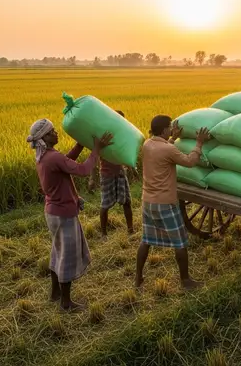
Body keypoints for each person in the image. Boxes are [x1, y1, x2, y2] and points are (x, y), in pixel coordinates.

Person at [26, 119, 113, 311]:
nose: (56, 133)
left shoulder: (45, 156)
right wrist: (96, 150)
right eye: (52, 131)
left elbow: (66, 162)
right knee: (67, 256)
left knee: (58, 252)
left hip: (53, 212)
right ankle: (66, 303)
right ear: (45, 138)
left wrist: (81, 144)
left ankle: (55, 294)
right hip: (63, 214)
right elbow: (82, 170)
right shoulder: (52, 157)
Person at [135, 115, 211, 291]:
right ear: (163, 131)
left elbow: (164, 147)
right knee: (180, 242)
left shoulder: (147, 144)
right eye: (169, 128)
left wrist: (173, 138)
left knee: (146, 240)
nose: (171, 129)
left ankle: (138, 277)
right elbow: (190, 162)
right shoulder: (169, 150)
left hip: (148, 202)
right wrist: (199, 143)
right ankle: (186, 281)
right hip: (165, 203)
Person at [88, 110, 134, 238]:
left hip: (120, 173)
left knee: (127, 202)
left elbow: (125, 153)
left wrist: (130, 168)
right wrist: (92, 178)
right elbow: (94, 156)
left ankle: (130, 230)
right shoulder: (104, 136)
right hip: (106, 174)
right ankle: (104, 234)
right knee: (105, 204)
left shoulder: (122, 135)